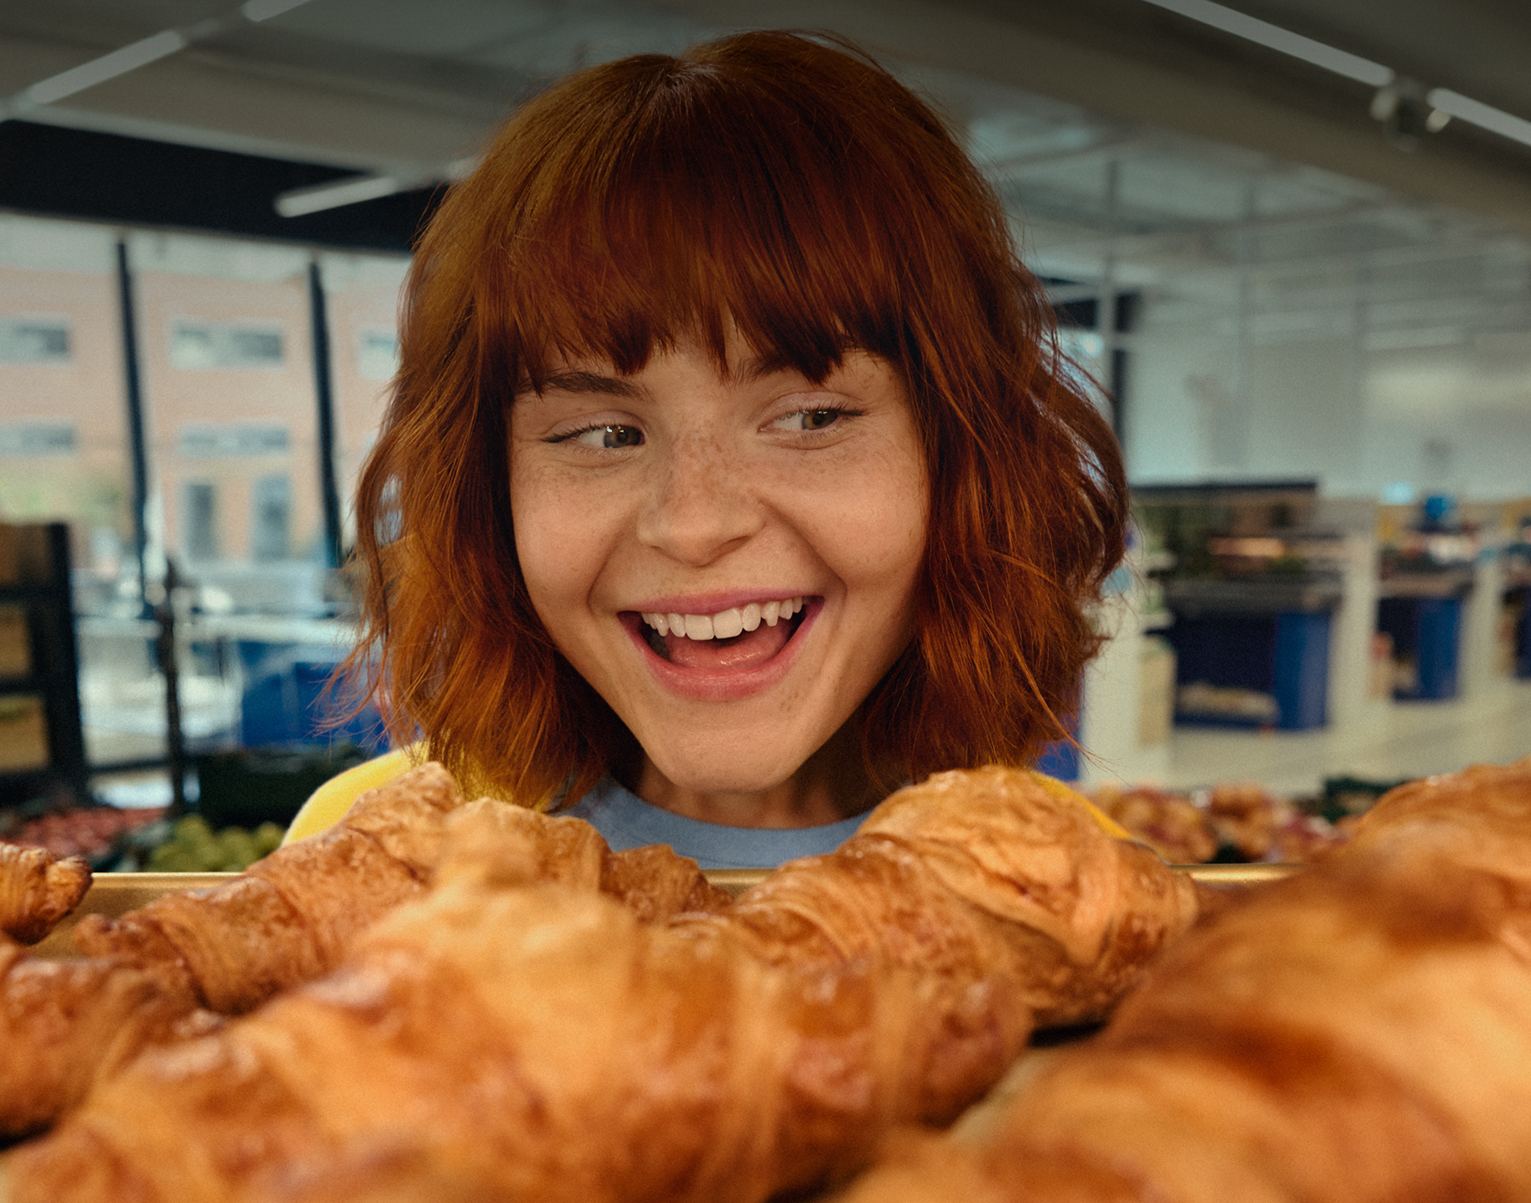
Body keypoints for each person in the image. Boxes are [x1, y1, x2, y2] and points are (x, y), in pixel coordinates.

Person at [286, 29, 1128, 868]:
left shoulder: (1070, 880)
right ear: (487, 494)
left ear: (964, 460)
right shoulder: (374, 854)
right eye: (605, 434)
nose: (694, 525)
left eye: (810, 418)